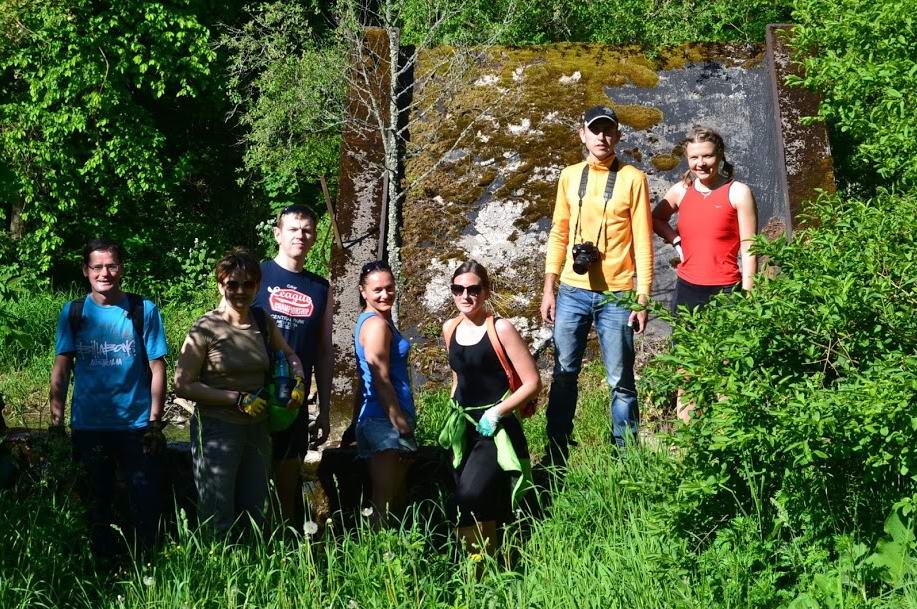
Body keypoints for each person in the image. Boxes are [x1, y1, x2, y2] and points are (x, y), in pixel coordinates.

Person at [540, 105, 654, 465]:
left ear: (618, 135)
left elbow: (643, 240)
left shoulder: (633, 178)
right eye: (595, 130)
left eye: (608, 131)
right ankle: (556, 453)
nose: (601, 137)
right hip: (572, 291)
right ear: (582, 134)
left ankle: (625, 457)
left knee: (620, 379)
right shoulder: (569, 176)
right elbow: (559, 231)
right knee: (563, 374)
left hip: (617, 293)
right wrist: (549, 285)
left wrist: (643, 295)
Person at [49, 238, 168, 559]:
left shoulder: (143, 310)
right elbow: (61, 369)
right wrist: (56, 423)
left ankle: (148, 565)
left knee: (145, 502)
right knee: (94, 503)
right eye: (97, 267)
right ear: (86, 271)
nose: (105, 273)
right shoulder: (73, 313)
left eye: (112, 266)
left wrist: (155, 422)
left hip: (136, 425)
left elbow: (158, 368)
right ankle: (98, 569)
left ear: (122, 268)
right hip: (89, 426)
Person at [174, 247, 305, 535]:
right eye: (232, 284)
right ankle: (216, 572)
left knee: (256, 513)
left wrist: (298, 382)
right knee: (217, 514)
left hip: (258, 428)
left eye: (248, 284)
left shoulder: (262, 321)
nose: (240, 291)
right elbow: (182, 384)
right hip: (217, 430)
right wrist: (235, 398)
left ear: (258, 286)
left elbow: (290, 355)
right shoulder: (205, 327)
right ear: (220, 284)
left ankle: (253, 573)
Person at [652, 125, 758, 422]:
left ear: (720, 155)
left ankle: (727, 433)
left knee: (727, 368)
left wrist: (749, 291)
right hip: (688, 290)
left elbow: (750, 245)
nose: (701, 164)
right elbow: (655, 218)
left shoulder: (738, 192)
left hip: (726, 291)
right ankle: (689, 441)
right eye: (694, 157)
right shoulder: (681, 191)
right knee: (687, 368)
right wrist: (674, 240)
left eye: (707, 156)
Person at [438, 261, 540, 554]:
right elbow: (458, 377)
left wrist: (496, 413)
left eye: (473, 289)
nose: (465, 296)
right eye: (458, 289)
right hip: (463, 429)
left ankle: (477, 572)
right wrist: (452, 415)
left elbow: (532, 382)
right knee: (485, 507)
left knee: (465, 500)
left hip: (494, 430)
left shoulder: (500, 328)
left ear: (486, 291)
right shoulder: (450, 328)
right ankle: (487, 575)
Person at [254, 204, 332, 530]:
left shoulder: (320, 288)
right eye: (293, 229)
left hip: (293, 399)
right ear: (277, 234)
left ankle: (284, 550)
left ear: (313, 238)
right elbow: (223, 326)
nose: (300, 235)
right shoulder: (255, 275)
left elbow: (325, 351)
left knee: (288, 482)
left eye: (307, 230)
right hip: (252, 392)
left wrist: (324, 410)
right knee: (252, 481)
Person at [353, 260, 417, 526]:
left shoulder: (373, 321)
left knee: (394, 502)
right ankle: (380, 559)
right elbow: (379, 378)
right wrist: (400, 423)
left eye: (389, 288)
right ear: (363, 291)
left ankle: (391, 556)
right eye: (377, 289)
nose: (384, 294)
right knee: (386, 504)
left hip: (377, 420)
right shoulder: (377, 326)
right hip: (385, 422)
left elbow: (362, 378)